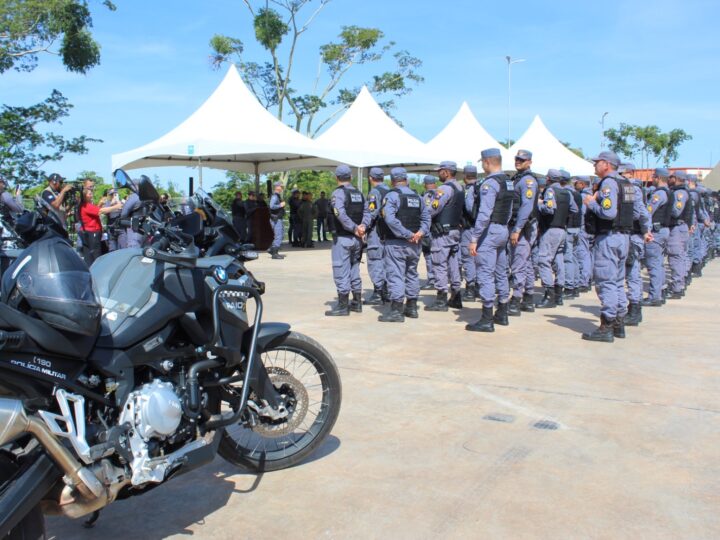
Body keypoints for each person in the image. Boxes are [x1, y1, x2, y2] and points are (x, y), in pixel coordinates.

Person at [582, 151, 637, 342]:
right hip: (624, 237)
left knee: (606, 282)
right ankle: (619, 324)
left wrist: (591, 203)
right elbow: (636, 212)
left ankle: (606, 325)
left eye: (597, 163)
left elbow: (608, 212)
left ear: (606, 164)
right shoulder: (627, 184)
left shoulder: (608, 184)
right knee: (617, 282)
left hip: (609, 237)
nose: (594, 165)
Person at [465, 148, 514, 332]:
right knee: (501, 272)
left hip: (489, 230)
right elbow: (509, 210)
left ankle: (487, 318)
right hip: (502, 229)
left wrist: (474, 238)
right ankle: (502, 311)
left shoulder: (490, 183)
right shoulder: (508, 181)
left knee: (485, 273)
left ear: (486, 162)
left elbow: (484, 213)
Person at [376, 167, 430, 322]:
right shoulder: (418, 197)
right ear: (406, 180)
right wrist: (419, 233)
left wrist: (407, 234)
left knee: (395, 275)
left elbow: (390, 219)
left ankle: (396, 311)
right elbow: (427, 219)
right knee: (412, 274)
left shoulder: (392, 196)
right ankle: (412, 308)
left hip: (397, 242)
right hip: (415, 243)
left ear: (393, 181)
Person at [325, 165, 370, 316]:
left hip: (344, 237)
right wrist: (362, 226)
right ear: (351, 177)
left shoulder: (338, 193)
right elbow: (367, 212)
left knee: (341, 270)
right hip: (357, 239)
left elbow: (340, 214)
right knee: (354, 269)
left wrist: (353, 228)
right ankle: (357, 302)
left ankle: (343, 305)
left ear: (336, 178)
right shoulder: (359, 193)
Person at [425, 161, 464, 311]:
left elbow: (433, 209)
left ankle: (441, 299)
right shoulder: (460, 187)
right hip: (454, 231)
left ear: (447, 172)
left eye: (440, 171)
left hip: (442, 232)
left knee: (439, 264)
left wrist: (423, 215)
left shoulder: (443, 189)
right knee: (453, 263)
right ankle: (456, 296)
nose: (438, 174)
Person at [534, 169, 573, 309]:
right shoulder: (567, 193)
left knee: (544, 260)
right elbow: (574, 210)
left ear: (549, 179)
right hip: (562, 229)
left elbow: (549, 209)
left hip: (551, 229)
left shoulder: (550, 191)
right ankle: (558, 294)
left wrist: (539, 203)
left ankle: (549, 294)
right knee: (559, 260)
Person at [507, 149, 539, 316]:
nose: (518, 161)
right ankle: (528, 297)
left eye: (522, 159)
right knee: (524, 262)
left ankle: (516, 299)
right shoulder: (518, 178)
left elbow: (526, 207)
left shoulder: (527, 181)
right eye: (517, 158)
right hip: (520, 226)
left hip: (523, 227)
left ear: (529, 162)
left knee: (518, 262)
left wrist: (517, 229)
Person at [619, 163, 652, 326]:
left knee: (632, 273)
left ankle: (634, 309)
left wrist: (646, 230)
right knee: (632, 273)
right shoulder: (629, 187)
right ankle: (634, 308)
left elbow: (640, 213)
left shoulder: (631, 188)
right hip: (632, 235)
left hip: (633, 236)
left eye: (622, 173)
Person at [642, 168, 673, 307]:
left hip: (656, 231)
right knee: (659, 263)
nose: (652, 178)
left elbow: (648, 212)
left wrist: (645, 230)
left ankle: (654, 296)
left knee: (653, 264)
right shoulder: (669, 192)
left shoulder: (659, 194)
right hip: (664, 230)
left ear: (658, 178)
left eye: (654, 176)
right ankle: (658, 293)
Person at [363, 167, 390, 306]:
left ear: (370, 178)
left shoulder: (374, 192)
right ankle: (387, 291)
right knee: (386, 261)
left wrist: (363, 227)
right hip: (389, 233)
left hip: (376, 232)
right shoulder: (390, 191)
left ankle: (378, 292)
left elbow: (371, 213)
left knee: (375, 259)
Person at [78, 186, 122, 265]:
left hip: (88, 231)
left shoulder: (84, 205)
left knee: (88, 253)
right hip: (92, 232)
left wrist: (100, 204)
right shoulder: (86, 206)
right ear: (85, 196)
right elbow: (100, 211)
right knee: (95, 253)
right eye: (90, 194)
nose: (91, 195)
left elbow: (95, 212)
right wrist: (116, 206)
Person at [666, 171, 693, 299]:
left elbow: (676, 211)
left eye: (671, 177)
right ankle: (679, 286)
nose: (669, 178)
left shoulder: (679, 193)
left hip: (677, 228)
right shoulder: (681, 191)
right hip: (681, 227)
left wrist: (665, 206)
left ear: (676, 179)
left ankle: (677, 288)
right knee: (680, 257)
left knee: (675, 258)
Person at [560, 170, 582, 299]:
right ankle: (575, 285)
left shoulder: (566, 193)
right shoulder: (577, 193)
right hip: (577, 228)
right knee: (574, 257)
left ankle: (569, 287)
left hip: (569, 228)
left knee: (567, 258)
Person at [460, 165, 480, 302]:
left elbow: (468, 207)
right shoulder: (482, 186)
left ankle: (470, 288)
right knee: (479, 258)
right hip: (482, 227)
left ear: (465, 176)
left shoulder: (469, 189)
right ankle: (479, 286)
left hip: (470, 227)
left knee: (468, 258)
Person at [573, 176, 594, 293]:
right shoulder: (594, 195)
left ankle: (584, 281)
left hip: (583, 228)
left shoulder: (582, 196)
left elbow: (581, 214)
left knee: (583, 255)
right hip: (591, 229)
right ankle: (588, 279)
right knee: (589, 255)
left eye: (576, 183)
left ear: (581, 184)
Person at [420, 175, 437, 290]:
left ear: (425, 184)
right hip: (439, 229)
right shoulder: (440, 193)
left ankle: (432, 279)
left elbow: (426, 213)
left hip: (429, 230)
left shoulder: (427, 196)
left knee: (428, 255)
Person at [268, 182, 286, 259]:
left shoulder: (277, 196)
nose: (282, 188)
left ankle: (272, 249)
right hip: (276, 218)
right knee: (279, 235)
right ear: (277, 187)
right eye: (281, 186)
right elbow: (272, 206)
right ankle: (274, 253)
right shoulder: (275, 196)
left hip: (277, 218)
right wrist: (280, 205)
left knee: (280, 234)